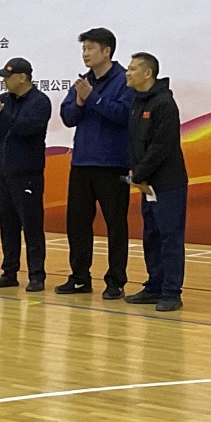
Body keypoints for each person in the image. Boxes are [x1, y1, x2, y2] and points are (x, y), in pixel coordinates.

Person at [58, 27, 135, 300]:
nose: (85, 54)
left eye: (90, 48)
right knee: (77, 223)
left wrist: (92, 98)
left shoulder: (124, 80)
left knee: (115, 224)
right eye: (83, 49)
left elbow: (123, 114)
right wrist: (80, 102)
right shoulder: (84, 82)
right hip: (81, 162)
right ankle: (80, 278)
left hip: (112, 164)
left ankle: (116, 281)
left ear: (107, 51)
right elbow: (67, 116)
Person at [123, 53, 189, 313]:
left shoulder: (164, 104)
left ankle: (171, 292)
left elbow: (162, 146)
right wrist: (137, 173)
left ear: (147, 73)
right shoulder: (136, 102)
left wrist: (139, 173)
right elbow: (134, 143)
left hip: (167, 184)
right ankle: (154, 286)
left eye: (132, 69)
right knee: (151, 236)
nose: (127, 73)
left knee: (170, 237)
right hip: (146, 184)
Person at [0, 58, 52, 291]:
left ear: (22, 77)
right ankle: (9, 272)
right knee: (8, 225)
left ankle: (37, 275)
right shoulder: (4, 100)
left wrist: (0, 115)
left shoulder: (40, 102)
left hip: (27, 174)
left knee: (31, 226)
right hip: (3, 173)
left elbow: (26, 128)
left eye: (8, 76)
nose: (4, 81)